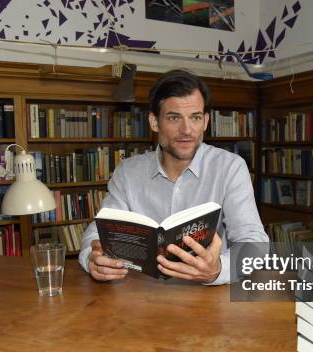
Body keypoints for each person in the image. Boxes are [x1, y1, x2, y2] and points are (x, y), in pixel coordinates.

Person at [79, 69, 268, 284]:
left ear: (205, 121)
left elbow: (254, 244)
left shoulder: (230, 167)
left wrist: (218, 270)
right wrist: (92, 258)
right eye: (174, 117)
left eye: (195, 117)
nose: (187, 130)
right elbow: (97, 233)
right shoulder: (128, 172)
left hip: (209, 299)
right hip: (142, 297)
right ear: (154, 122)